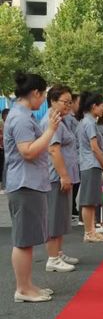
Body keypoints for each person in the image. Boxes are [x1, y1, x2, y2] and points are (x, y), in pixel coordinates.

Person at [4, 72, 60, 302]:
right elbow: (27, 151)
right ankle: (23, 289)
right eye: (43, 94)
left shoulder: (22, 115)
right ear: (35, 93)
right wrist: (50, 131)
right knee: (24, 241)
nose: (44, 99)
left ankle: (27, 285)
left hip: (29, 183)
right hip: (25, 184)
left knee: (27, 239)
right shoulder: (21, 118)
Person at [41, 86, 80, 273]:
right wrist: (64, 175)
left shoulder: (61, 120)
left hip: (63, 175)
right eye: (65, 102)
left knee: (61, 216)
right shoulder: (52, 121)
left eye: (70, 102)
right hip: (56, 176)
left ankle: (58, 252)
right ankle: (52, 258)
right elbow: (54, 150)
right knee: (54, 217)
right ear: (53, 101)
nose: (68, 105)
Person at [76, 92, 103, 243]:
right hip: (91, 164)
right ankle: (89, 232)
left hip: (89, 164)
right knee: (88, 200)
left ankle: (92, 231)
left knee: (92, 200)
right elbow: (94, 147)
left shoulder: (87, 122)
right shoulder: (88, 123)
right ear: (94, 106)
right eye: (102, 106)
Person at [0, 107, 8, 194]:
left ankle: (5, 186)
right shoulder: (4, 125)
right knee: (5, 167)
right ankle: (4, 187)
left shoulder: (6, 124)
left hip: (6, 149)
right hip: (6, 149)